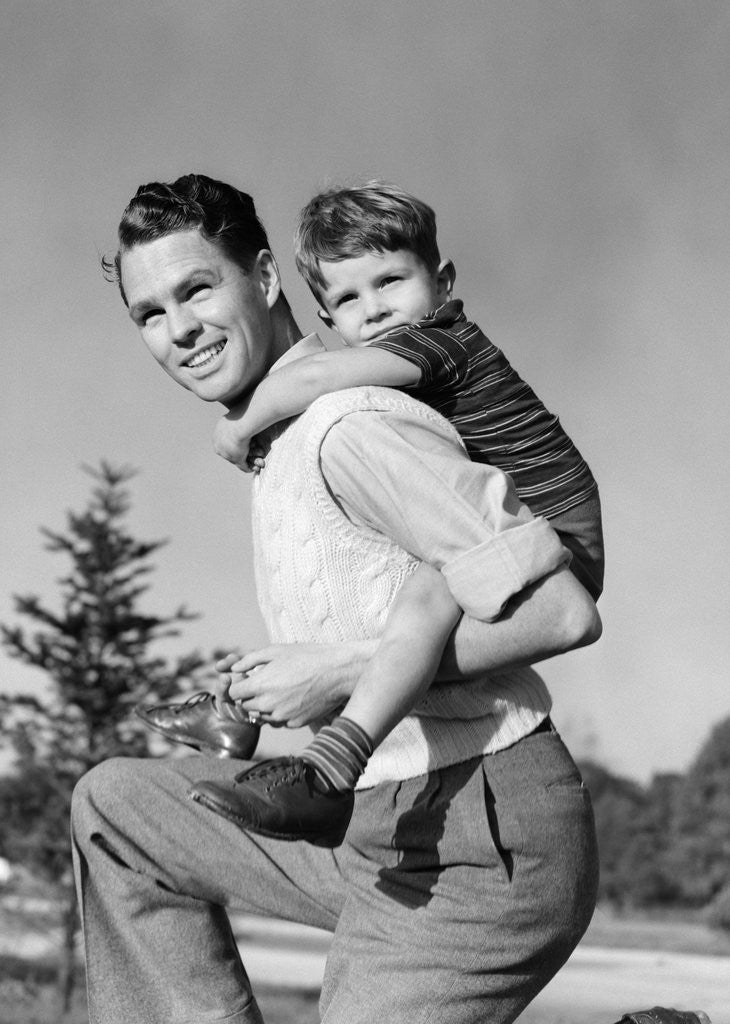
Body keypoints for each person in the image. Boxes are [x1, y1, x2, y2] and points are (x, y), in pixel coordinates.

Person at [72, 173, 602, 1024]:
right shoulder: (280, 439)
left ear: (268, 278)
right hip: (369, 823)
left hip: (478, 842)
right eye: (149, 313)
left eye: (198, 289)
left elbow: (564, 611)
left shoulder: (350, 423)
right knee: (119, 809)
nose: (179, 330)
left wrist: (340, 675)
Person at [137, 182, 605, 845]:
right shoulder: (340, 417)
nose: (377, 309)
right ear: (328, 313)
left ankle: (328, 766)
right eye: (351, 298)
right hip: (394, 799)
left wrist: (238, 430)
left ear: (442, 282)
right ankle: (238, 713)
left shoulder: (430, 348)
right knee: (116, 804)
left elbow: (314, 380)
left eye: (391, 281)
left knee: (427, 591)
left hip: (557, 543)